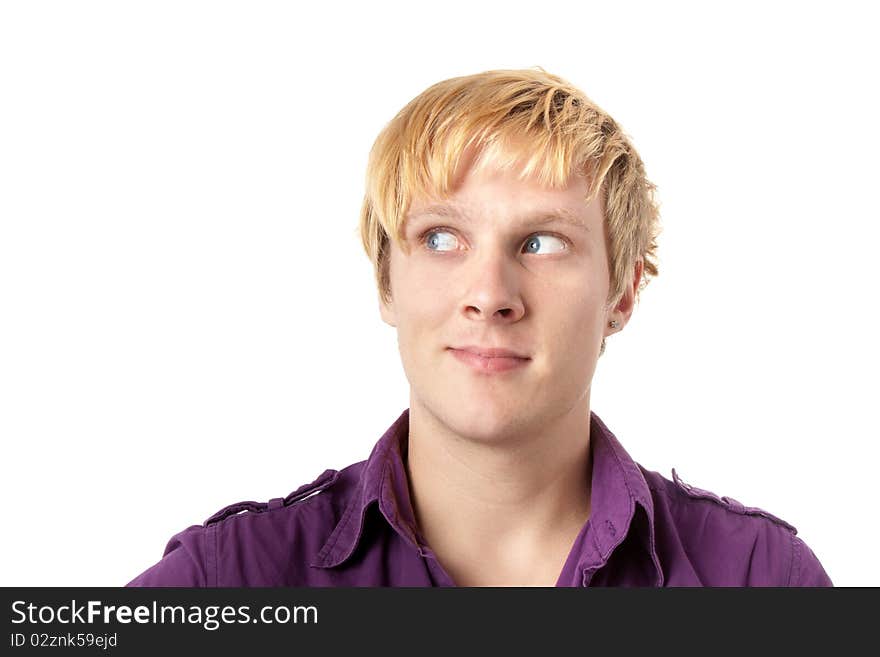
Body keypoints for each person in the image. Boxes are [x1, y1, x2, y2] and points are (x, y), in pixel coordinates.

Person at [128, 68, 832, 587]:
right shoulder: (225, 583)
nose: (491, 295)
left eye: (542, 242)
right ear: (385, 281)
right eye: (440, 238)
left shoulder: (762, 580)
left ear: (623, 293)